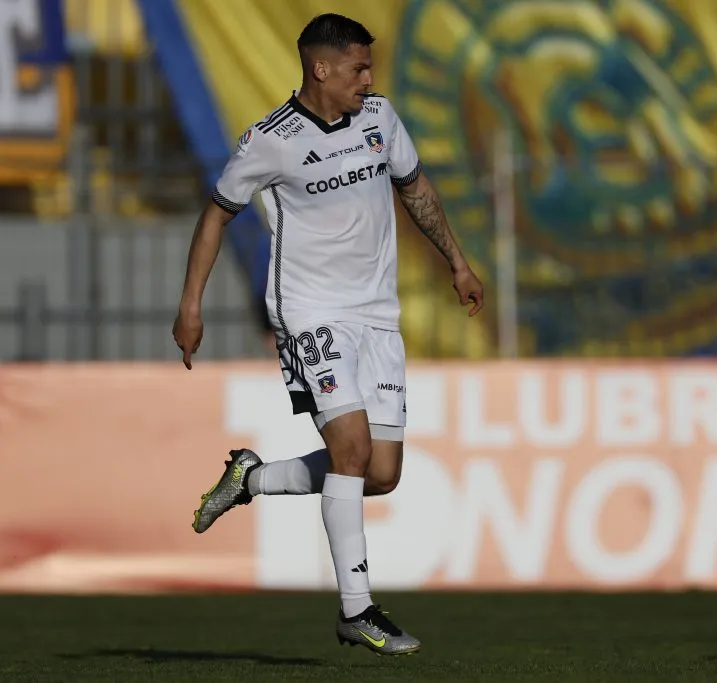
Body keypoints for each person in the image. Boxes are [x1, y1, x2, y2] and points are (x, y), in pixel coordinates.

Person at [171, 13, 484, 656]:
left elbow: (416, 188)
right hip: (310, 312)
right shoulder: (271, 140)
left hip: (378, 316)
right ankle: (357, 611)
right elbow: (216, 215)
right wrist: (191, 305)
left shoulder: (380, 119)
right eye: (358, 69)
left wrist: (456, 259)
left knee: (382, 471)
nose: (368, 81)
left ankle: (250, 478)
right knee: (350, 450)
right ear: (322, 68)